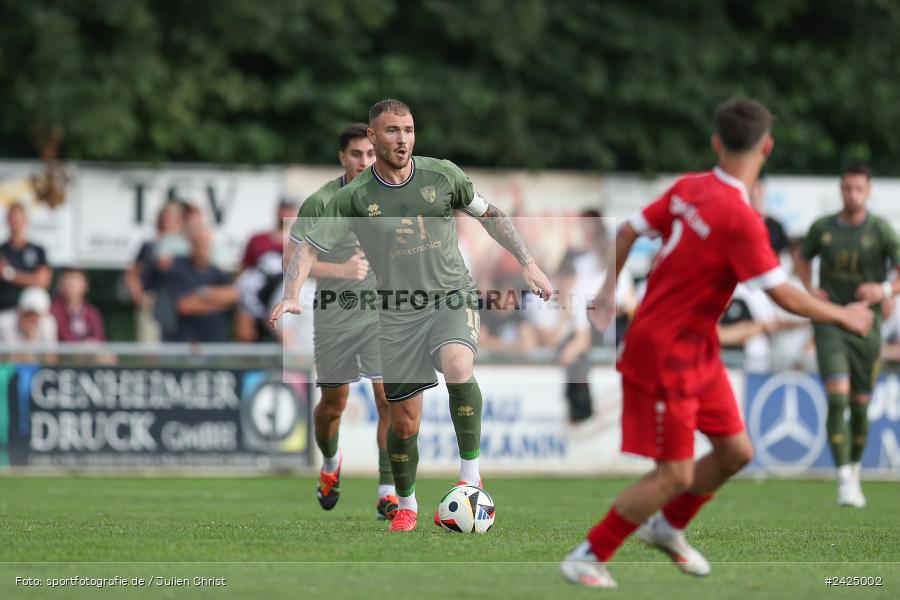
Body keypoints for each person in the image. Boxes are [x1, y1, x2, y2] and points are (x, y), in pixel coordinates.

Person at [565, 98, 873, 588]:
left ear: (716, 142)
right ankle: (589, 554)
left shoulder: (691, 187)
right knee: (674, 476)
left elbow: (626, 232)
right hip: (664, 350)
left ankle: (667, 528)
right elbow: (782, 294)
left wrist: (607, 290)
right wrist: (845, 314)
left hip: (697, 347)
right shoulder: (740, 218)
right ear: (767, 147)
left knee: (736, 451)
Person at [270, 99, 553, 532]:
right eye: (392, 131)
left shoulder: (443, 175)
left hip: (449, 298)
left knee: (459, 364)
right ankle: (405, 504)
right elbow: (309, 246)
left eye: (408, 130)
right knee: (404, 420)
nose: (402, 139)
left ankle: (470, 479)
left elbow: (490, 215)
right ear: (373, 136)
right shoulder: (355, 197)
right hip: (397, 314)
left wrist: (528, 262)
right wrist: (292, 293)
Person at [282, 122, 397, 519]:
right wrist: (340, 271)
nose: (365, 161)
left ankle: (388, 490)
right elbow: (290, 262)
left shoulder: (397, 194)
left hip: (383, 314)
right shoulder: (321, 201)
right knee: (334, 405)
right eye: (356, 154)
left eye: (370, 153)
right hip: (336, 316)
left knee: (389, 397)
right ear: (342, 157)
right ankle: (330, 465)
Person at [795, 163, 900, 508]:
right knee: (837, 396)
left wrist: (884, 290)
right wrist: (810, 289)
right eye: (846, 188)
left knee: (859, 406)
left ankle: (854, 470)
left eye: (858, 189)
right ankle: (842, 478)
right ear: (840, 190)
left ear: (868, 191)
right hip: (829, 321)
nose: (851, 194)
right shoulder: (822, 228)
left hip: (865, 325)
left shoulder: (881, 230)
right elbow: (801, 258)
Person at [234, 199, 298, 342]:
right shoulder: (258, 239)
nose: (285, 213)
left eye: (289, 209)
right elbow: (243, 273)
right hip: (257, 301)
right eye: (283, 208)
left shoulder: (302, 242)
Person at [124, 202, 188, 341]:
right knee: (150, 343)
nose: (168, 223)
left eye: (172, 219)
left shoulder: (188, 247)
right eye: (165, 219)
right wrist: (140, 297)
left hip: (182, 302)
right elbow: (132, 275)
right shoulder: (149, 246)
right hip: (154, 300)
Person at [167, 226, 238, 342]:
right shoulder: (179, 268)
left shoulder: (216, 272)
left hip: (214, 340)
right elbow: (184, 306)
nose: (204, 248)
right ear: (192, 245)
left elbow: (234, 294)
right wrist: (219, 305)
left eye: (207, 244)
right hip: (186, 340)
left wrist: (203, 293)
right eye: (201, 244)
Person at [0, 203, 52, 311]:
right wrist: (30, 278)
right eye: (13, 217)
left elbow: (42, 281)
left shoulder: (37, 250)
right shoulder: (2, 250)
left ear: (26, 220)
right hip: (5, 310)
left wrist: (9, 274)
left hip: (33, 313)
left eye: (19, 217)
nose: (16, 221)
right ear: (7, 220)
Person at [0, 286, 57, 362]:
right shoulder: (3, 322)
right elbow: (7, 360)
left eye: (36, 314)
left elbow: (50, 359)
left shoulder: (48, 322)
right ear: (20, 310)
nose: (32, 318)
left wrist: (30, 339)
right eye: (28, 313)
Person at [50, 268, 106, 342]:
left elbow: (99, 339)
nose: (70, 283)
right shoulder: (53, 311)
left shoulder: (93, 313)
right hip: (64, 352)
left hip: (92, 351)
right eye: (67, 278)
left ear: (86, 285)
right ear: (60, 284)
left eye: (75, 278)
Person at [750, 178, 789, 255]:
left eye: (757, 189)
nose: (754, 194)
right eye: (751, 189)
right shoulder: (740, 224)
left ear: (763, 191)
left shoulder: (776, 226)